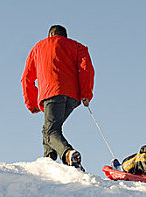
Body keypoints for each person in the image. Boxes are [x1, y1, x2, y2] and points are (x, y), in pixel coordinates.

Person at [21, 25, 95, 172]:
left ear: (50, 35)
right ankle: (49, 160)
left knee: (50, 131)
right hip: (73, 97)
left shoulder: (39, 47)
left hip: (52, 93)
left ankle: (68, 154)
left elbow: (26, 79)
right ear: (65, 35)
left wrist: (31, 103)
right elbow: (86, 69)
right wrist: (86, 94)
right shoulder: (77, 46)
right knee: (49, 129)